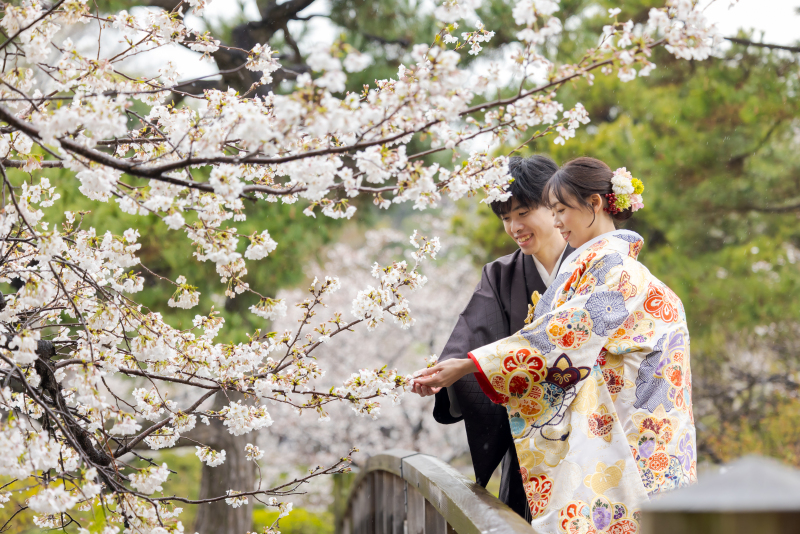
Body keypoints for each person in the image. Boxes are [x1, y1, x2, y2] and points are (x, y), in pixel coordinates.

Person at [413, 157, 696, 533]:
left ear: (594, 204)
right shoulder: (577, 266)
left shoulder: (614, 269)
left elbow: (561, 338)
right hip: (607, 432)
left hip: (631, 434)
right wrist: (451, 370)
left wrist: (470, 366)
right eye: (505, 217)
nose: (558, 220)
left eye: (559, 209)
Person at [412, 155, 573, 520]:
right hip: (530, 438)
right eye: (505, 218)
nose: (514, 226)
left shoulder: (592, 264)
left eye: (523, 212)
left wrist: (470, 365)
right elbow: (473, 333)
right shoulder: (501, 274)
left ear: (554, 205)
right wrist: (444, 376)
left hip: (590, 429)